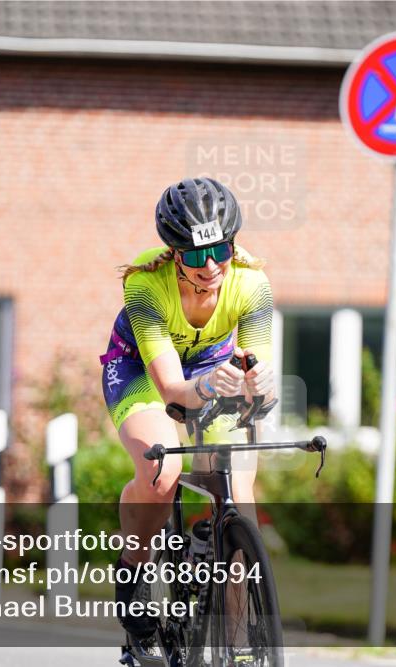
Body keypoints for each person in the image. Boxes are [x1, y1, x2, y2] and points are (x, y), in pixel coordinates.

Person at [99, 177, 275, 641]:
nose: (211, 266)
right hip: (142, 370)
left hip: (213, 367)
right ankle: (135, 568)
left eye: (220, 251)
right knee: (161, 471)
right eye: (196, 256)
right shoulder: (145, 284)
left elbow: (256, 369)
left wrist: (259, 383)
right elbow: (173, 390)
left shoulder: (252, 283)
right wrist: (207, 386)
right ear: (175, 254)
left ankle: (236, 639)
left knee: (237, 492)